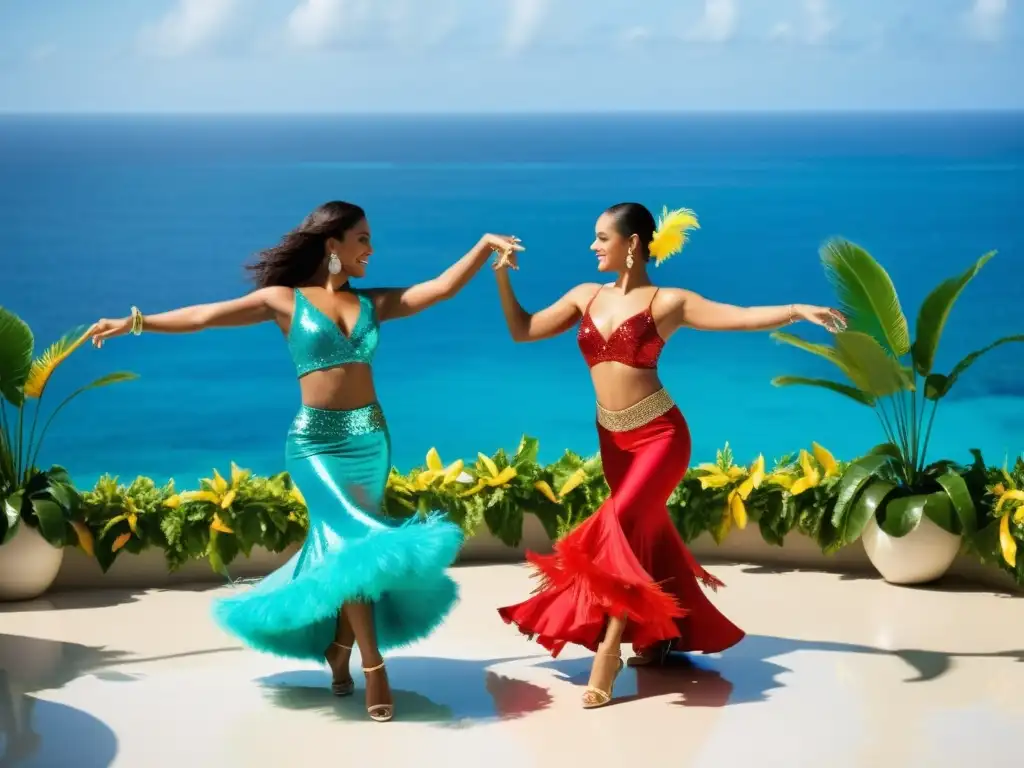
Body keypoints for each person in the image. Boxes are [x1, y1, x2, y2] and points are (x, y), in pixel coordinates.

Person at [88, 201, 523, 723]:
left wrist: (481, 246)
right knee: (357, 544)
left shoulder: (372, 303)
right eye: (361, 238)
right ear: (332, 245)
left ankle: (338, 652)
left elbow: (440, 288)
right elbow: (203, 317)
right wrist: (134, 322)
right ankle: (374, 667)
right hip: (315, 446)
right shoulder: (283, 300)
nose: (370, 249)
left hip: (370, 442)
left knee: (350, 553)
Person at [492, 202, 844, 709]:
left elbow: (739, 318)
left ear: (631, 244)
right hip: (612, 440)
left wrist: (796, 310)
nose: (592, 246)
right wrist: (503, 279)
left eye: (601, 238)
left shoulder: (669, 301)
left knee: (622, 524)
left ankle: (609, 652)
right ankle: (660, 636)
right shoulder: (583, 296)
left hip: (660, 436)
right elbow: (521, 329)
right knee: (642, 534)